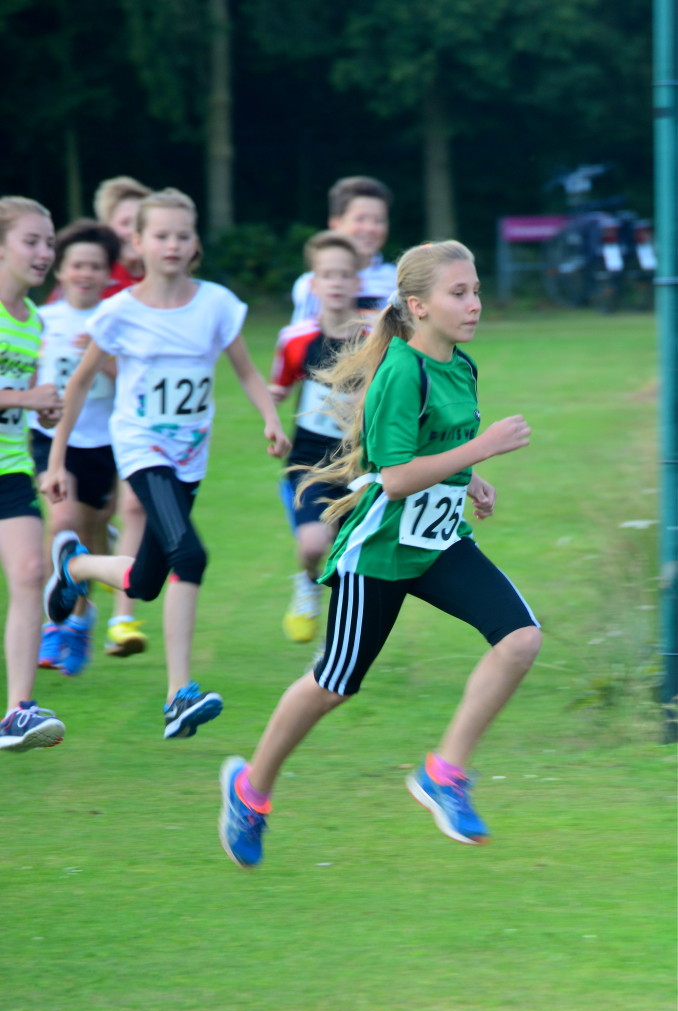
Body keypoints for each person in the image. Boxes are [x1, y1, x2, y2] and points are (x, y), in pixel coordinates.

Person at [219, 239, 542, 868]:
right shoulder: (402, 369)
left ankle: (444, 774)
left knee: (521, 639)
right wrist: (483, 451)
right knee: (334, 685)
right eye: (459, 293)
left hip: (439, 542)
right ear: (417, 306)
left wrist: (468, 480)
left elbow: (439, 441)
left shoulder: (460, 365)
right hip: (381, 552)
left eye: (475, 290)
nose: (474, 303)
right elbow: (393, 478)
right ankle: (249, 790)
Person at [41, 187, 290, 740]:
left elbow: (247, 371)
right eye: (161, 235)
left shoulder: (217, 305)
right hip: (140, 448)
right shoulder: (119, 312)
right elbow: (79, 382)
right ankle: (180, 695)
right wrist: (57, 460)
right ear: (138, 242)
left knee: (147, 579)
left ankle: (76, 568)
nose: (172, 244)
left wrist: (270, 418)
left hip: (190, 457)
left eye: (182, 235)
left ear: (194, 240)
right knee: (191, 554)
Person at [31, 219, 121, 676]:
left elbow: (136, 383)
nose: (85, 274)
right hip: (50, 438)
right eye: (76, 265)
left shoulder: (116, 319)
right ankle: (57, 626)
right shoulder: (43, 320)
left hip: (102, 442)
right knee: (61, 523)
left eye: (95, 267)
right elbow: (27, 373)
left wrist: (103, 360)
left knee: (86, 536)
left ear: (108, 274)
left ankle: (82, 621)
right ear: (60, 272)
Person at [271, 230, 360, 643]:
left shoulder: (379, 337)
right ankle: (307, 583)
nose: (337, 283)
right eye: (328, 275)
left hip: (361, 463)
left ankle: (337, 648)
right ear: (313, 283)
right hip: (310, 461)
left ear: (357, 283)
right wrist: (271, 421)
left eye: (345, 275)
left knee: (350, 561)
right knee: (312, 544)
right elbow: (279, 388)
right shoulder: (295, 339)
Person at [0, 196, 66, 751]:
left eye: (49, 242)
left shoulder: (34, 321)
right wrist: (25, 395)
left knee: (28, 571)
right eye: (31, 241)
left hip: (10, 466)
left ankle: (17, 710)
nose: (44, 252)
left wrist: (39, 408)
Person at [92, 176, 153, 658]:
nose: (132, 233)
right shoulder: (90, 275)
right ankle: (87, 570)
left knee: (133, 509)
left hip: (139, 421)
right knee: (99, 515)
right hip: (93, 422)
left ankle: (123, 619)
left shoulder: (155, 286)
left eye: (140, 223)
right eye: (123, 223)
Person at [291, 176, 396, 324]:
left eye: (379, 221)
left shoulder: (396, 280)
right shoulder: (311, 284)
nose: (371, 228)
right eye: (361, 219)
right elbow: (301, 338)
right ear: (335, 223)